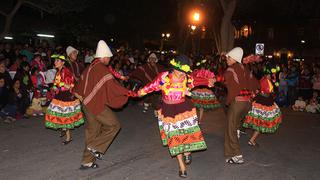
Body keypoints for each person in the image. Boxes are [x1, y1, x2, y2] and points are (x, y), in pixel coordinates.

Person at [135, 55, 215, 178]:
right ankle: (181, 166)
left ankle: (188, 151)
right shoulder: (163, 77)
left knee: (187, 134)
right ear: (174, 68)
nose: (183, 74)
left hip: (184, 108)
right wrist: (140, 92)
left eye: (185, 72)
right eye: (181, 71)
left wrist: (209, 81)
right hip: (169, 111)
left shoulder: (186, 78)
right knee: (175, 138)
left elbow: (197, 81)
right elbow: (151, 86)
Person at [74, 40, 130, 170]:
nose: (110, 60)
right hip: (95, 104)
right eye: (109, 58)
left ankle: (87, 161)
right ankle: (95, 147)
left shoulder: (89, 67)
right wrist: (129, 92)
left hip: (86, 103)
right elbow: (113, 87)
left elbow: (79, 86)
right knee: (114, 125)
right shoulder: (102, 70)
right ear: (104, 57)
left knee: (93, 131)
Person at [223, 47, 259, 164]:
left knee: (230, 129)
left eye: (229, 57)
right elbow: (255, 83)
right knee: (235, 126)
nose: (227, 59)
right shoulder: (245, 68)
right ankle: (233, 148)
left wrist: (217, 80)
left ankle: (236, 155)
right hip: (247, 103)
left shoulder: (230, 70)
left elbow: (229, 85)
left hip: (237, 103)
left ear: (234, 58)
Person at [45, 55, 85, 145]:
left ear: (63, 63)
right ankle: (63, 129)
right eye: (55, 61)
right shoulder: (58, 71)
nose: (55, 62)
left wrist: (60, 84)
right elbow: (57, 84)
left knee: (65, 117)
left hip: (66, 97)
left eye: (57, 61)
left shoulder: (66, 71)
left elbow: (69, 86)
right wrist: (55, 87)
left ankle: (68, 137)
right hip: (60, 95)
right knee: (58, 114)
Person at [243, 75, 282, 146]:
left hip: (262, 101)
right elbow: (269, 91)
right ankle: (251, 140)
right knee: (260, 123)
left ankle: (250, 138)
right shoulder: (265, 82)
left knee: (258, 122)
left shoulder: (264, 81)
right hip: (264, 103)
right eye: (269, 75)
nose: (270, 76)